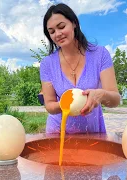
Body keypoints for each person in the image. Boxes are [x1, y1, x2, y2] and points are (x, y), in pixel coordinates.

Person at [40, 3, 121, 134]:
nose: (58, 34)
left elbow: (115, 100)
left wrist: (100, 95)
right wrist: (67, 104)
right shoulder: (47, 64)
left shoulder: (100, 55)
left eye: (61, 27)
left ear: (74, 23)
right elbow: (49, 104)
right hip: (57, 132)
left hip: (92, 132)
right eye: (52, 31)